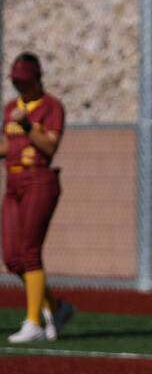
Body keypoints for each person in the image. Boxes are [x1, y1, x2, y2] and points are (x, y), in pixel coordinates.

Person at [3, 52, 75, 344]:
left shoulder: (52, 107)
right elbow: (8, 147)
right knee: (12, 258)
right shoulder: (10, 107)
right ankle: (56, 308)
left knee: (30, 251)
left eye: (24, 81)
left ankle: (34, 322)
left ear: (36, 78)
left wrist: (28, 126)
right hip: (14, 181)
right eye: (15, 82)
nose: (19, 87)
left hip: (39, 180)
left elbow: (50, 147)